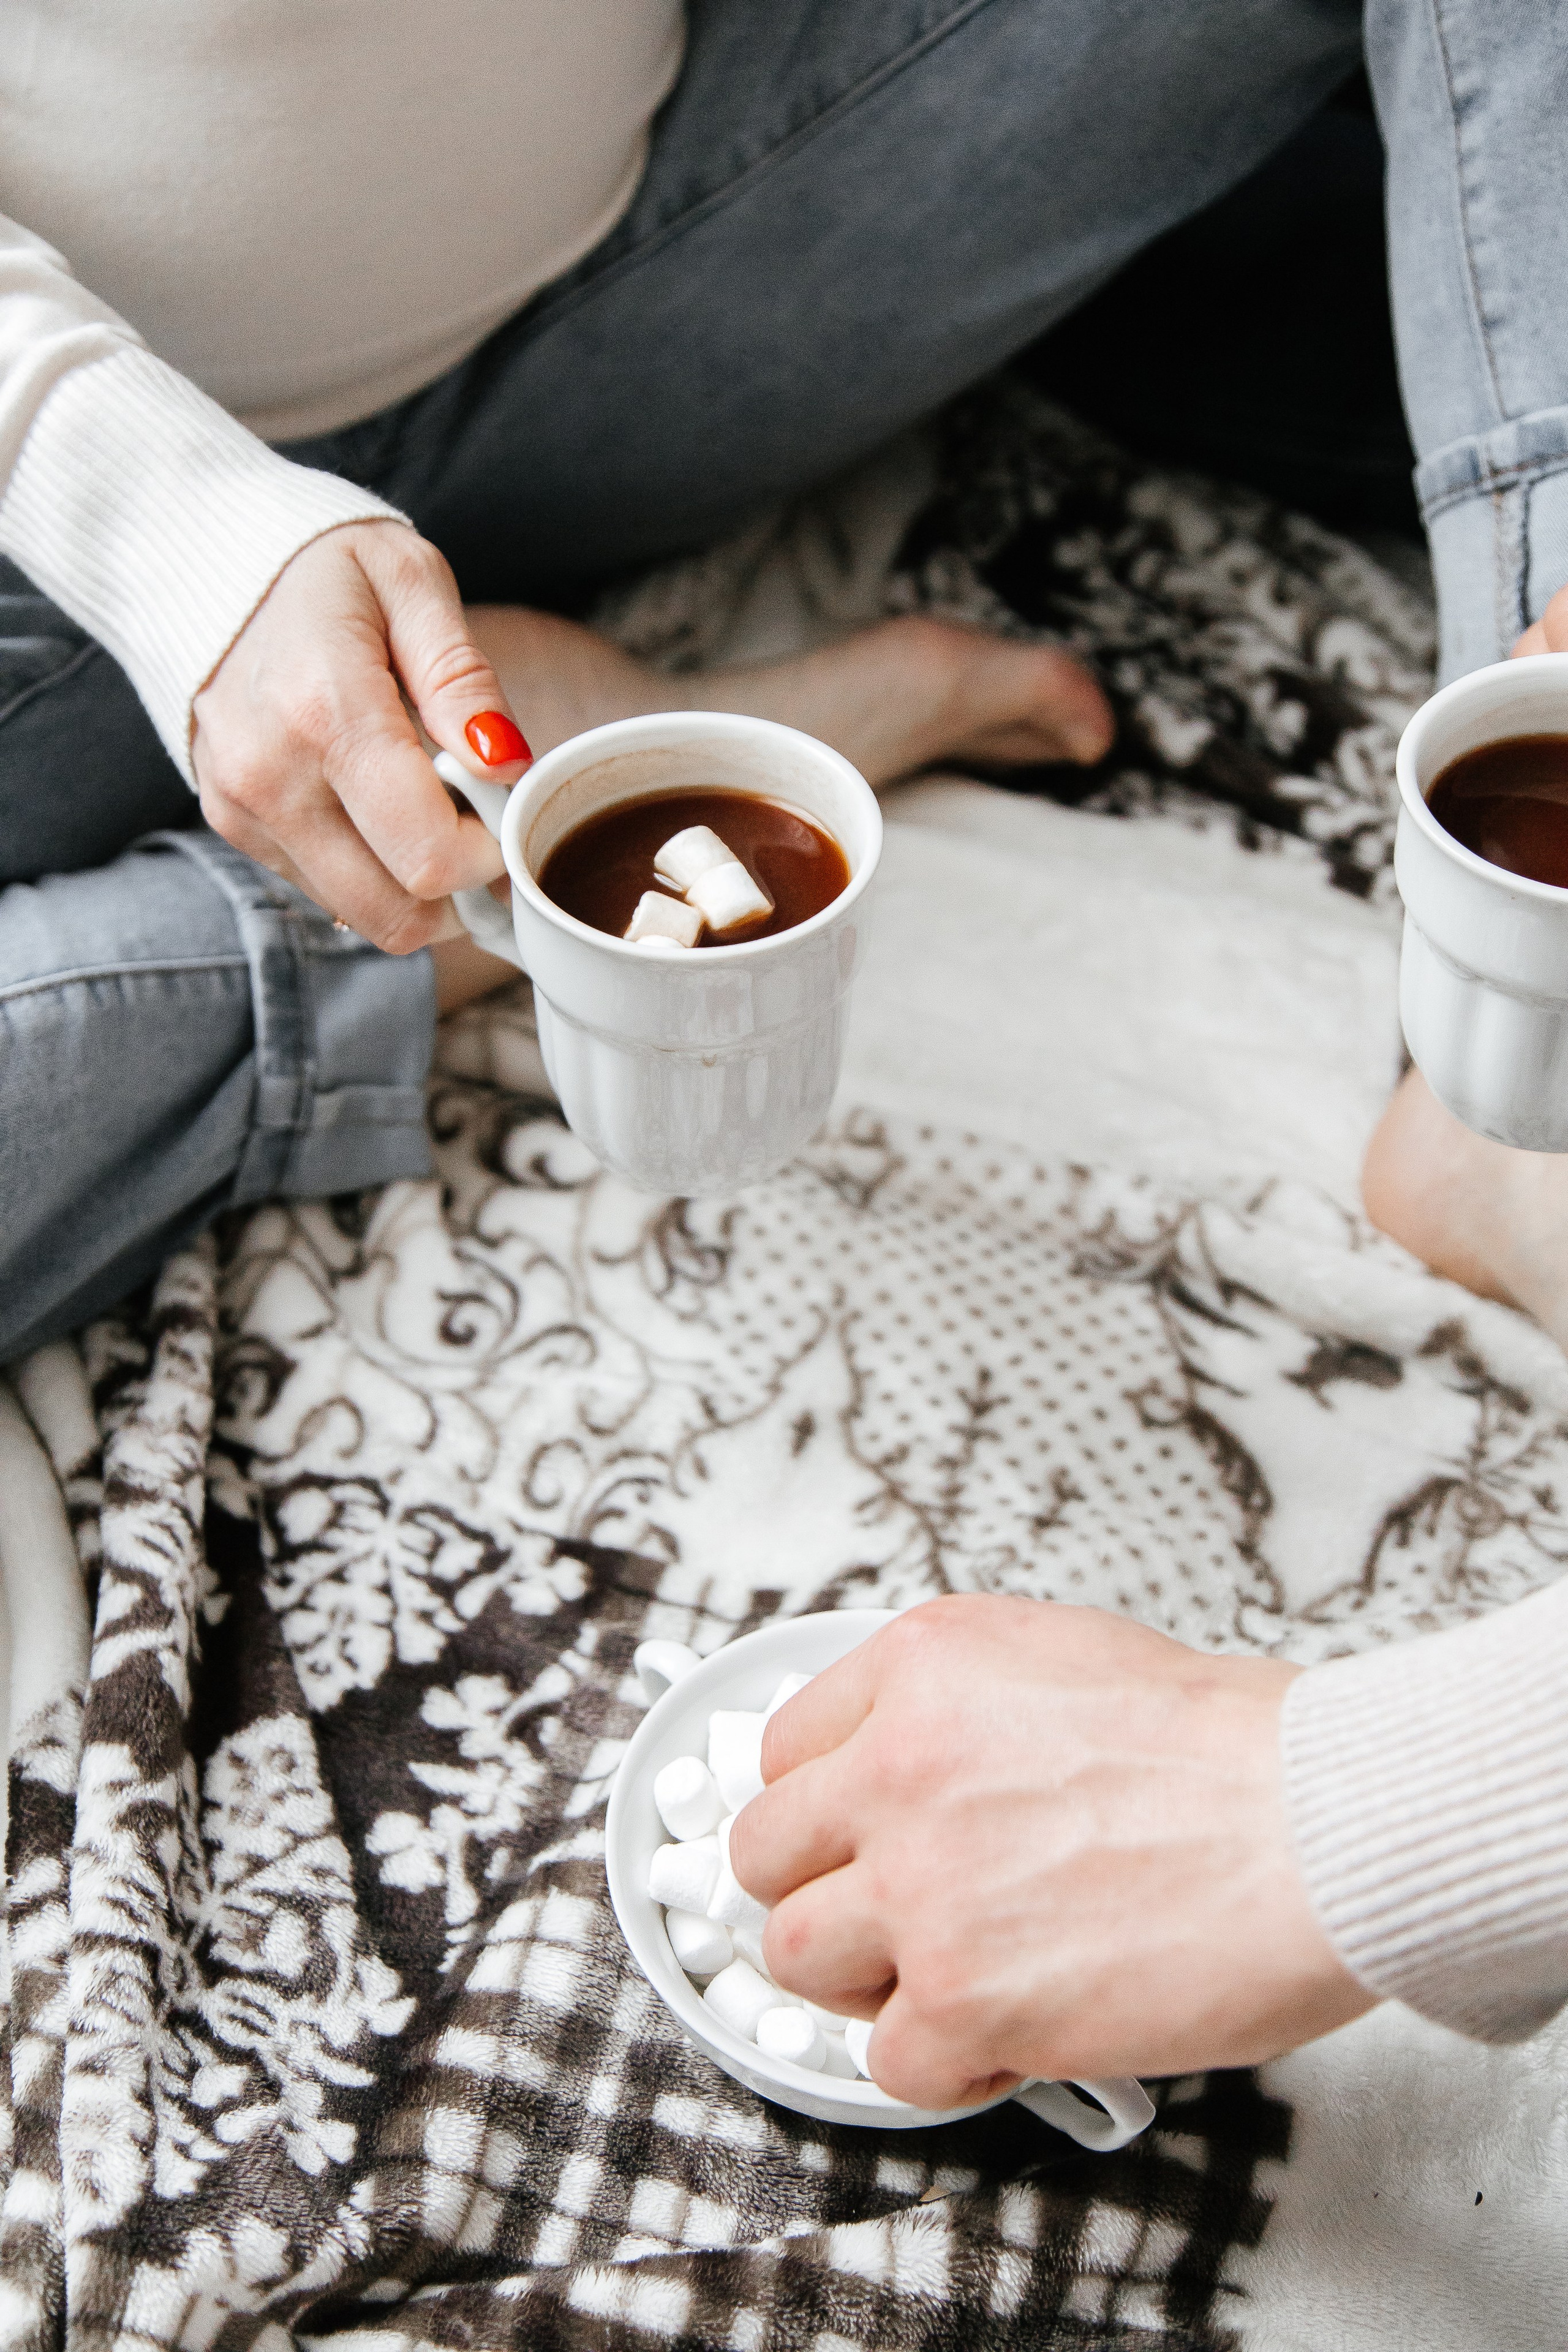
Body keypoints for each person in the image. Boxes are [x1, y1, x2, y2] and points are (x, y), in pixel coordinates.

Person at [2, 0, 1567, 2077]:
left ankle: (1540, 944)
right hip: (62, 541)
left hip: (641, 289)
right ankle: (540, 838)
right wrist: (166, 521)